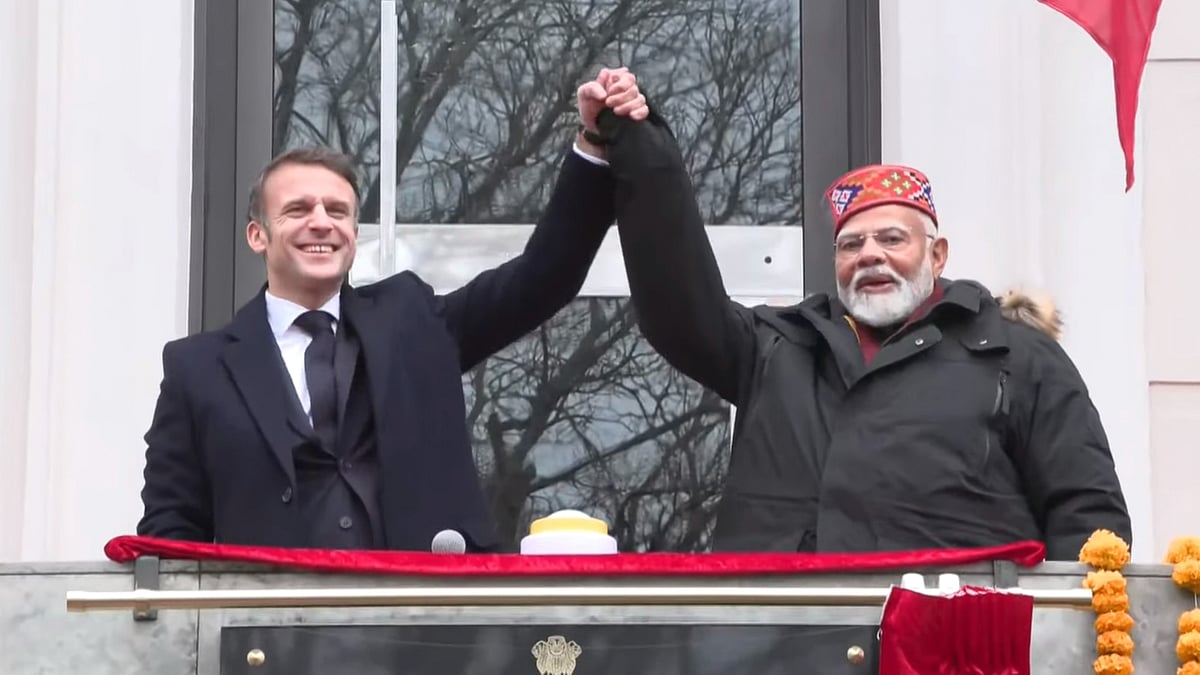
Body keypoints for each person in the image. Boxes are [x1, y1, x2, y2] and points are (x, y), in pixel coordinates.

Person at [592, 84, 1132, 560]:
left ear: (937, 255)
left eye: (892, 239)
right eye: (851, 244)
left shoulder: (1015, 357)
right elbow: (678, 305)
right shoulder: (776, 349)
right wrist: (640, 148)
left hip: (956, 653)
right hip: (783, 651)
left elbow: (1087, 517)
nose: (869, 255)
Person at [136, 69, 650, 551]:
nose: (321, 223)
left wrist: (595, 146)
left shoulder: (413, 322)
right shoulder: (197, 369)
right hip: (270, 636)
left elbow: (543, 278)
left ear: (353, 236)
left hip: (421, 630)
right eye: (297, 210)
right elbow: (171, 533)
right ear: (257, 235)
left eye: (337, 211)